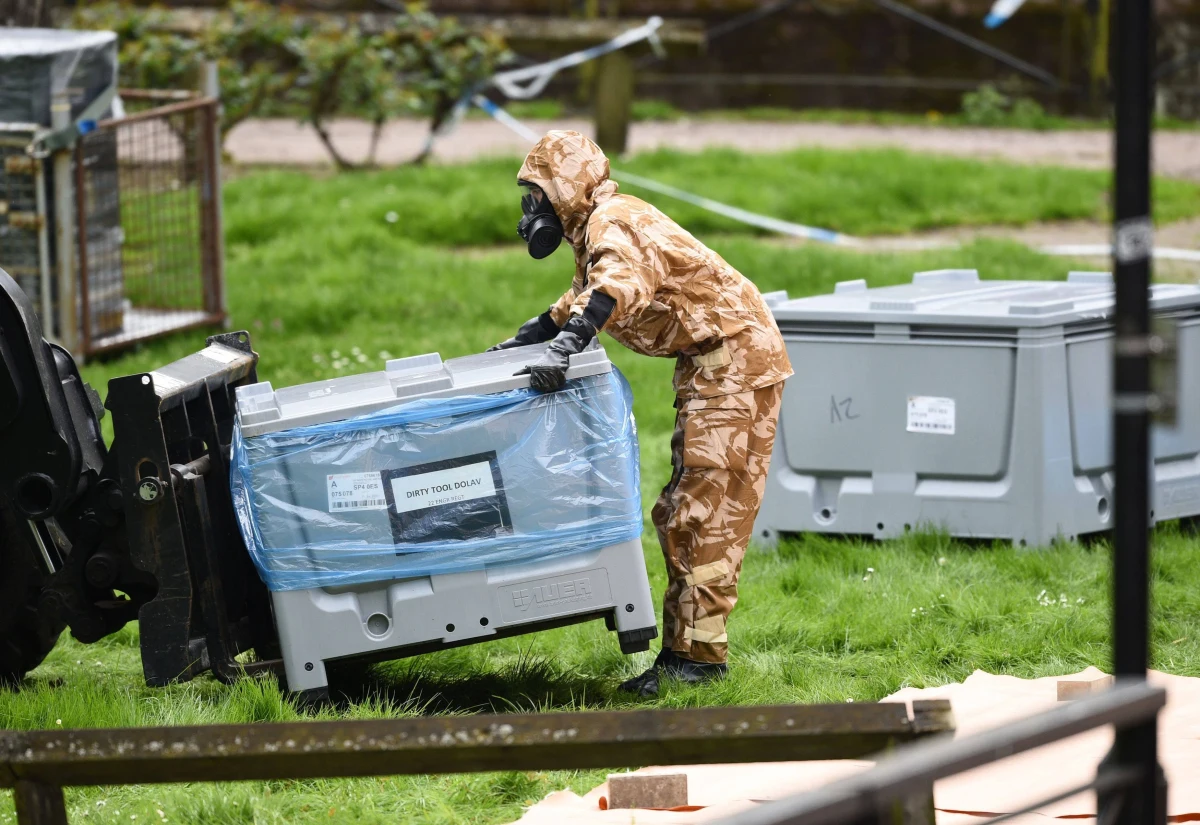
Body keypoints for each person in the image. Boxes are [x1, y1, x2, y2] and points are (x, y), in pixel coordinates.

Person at [489, 130, 792, 697]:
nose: (530, 213)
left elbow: (613, 288)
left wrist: (566, 347)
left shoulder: (614, 223)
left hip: (732, 368)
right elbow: (579, 295)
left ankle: (696, 663)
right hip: (716, 366)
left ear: (565, 188)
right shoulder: (598, 228)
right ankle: (692, 654)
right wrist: (530, 338)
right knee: (687, 511)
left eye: (536, 196)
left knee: (702, 514)